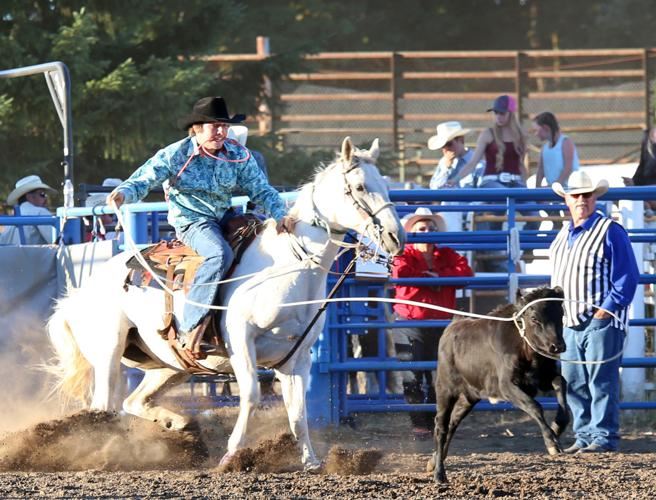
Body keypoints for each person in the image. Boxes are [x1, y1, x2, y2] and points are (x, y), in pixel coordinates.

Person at [107, 96, 296, 357]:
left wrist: (279, 214)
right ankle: (191, 327)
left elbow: (260, 189)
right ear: (196, 128)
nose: (220, 132)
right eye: (214, 126)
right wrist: (123, 194)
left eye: (224, 126)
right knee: (219, 254)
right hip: (192, 221)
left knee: (261, 246)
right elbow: (145, 178)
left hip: (226, 217)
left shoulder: (238, 154)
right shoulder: (176, 154)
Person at [549, 171, 639, 453]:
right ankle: (585, 435)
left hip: (600, 319)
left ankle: (603, 436)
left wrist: (607, 310)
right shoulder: (562, 235)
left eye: (586, 195)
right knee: (574, 381)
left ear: (594, 198)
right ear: (567, 199)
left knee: (600, 380)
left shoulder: (610, 230)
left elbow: (626, 276)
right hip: (569, 321)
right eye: (575, 195)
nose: (581, 200)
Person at [391, 207, 473, 439]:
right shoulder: (404, 254)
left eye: (431, 229)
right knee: (412, 375)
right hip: (411, 322)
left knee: (441, 376)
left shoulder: (446, 254)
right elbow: (399, 274)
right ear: (413, 233)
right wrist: (435, 279)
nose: (427, 232)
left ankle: (436, 421)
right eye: (422, 229)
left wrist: (435, 278)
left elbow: (465, 273)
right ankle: (420, 423)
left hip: (440, 323)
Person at [445, 95, 539, 270]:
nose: (498, 116)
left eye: (502, 113)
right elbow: (473, 162)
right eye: (496, 113)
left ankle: (525, 249)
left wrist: (527, 187)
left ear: (511, 114)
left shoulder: (520, 136)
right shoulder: (488, 134)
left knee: (534, 213)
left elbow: (521, 165)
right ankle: (496, 252)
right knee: (499, 202)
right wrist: (455, 180)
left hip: (515, 183)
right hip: (492, 181)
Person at [0, 175, 57, 245]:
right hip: (34, 256)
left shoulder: (10, 219)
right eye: (42, 194)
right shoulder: (40, 212)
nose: (46, 199)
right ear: (29, 196)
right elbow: (57, 242)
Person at [428, 121, 485, 189]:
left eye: (449, 144)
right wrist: (446, 168)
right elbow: (434, 188)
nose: (445, 149)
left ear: (461, 140)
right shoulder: (444, 162)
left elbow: (482, 194)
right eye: (442, 146)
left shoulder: (478, 164)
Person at [532, 111, 580, 188]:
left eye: (537, 130)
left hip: (568, 190)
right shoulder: (544, 148)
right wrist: (537, 190)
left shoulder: (565, 142)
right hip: (553, 191)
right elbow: (540, 171)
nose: (536, 134)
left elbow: (568, 168)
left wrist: (555, 186)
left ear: (546, 128)